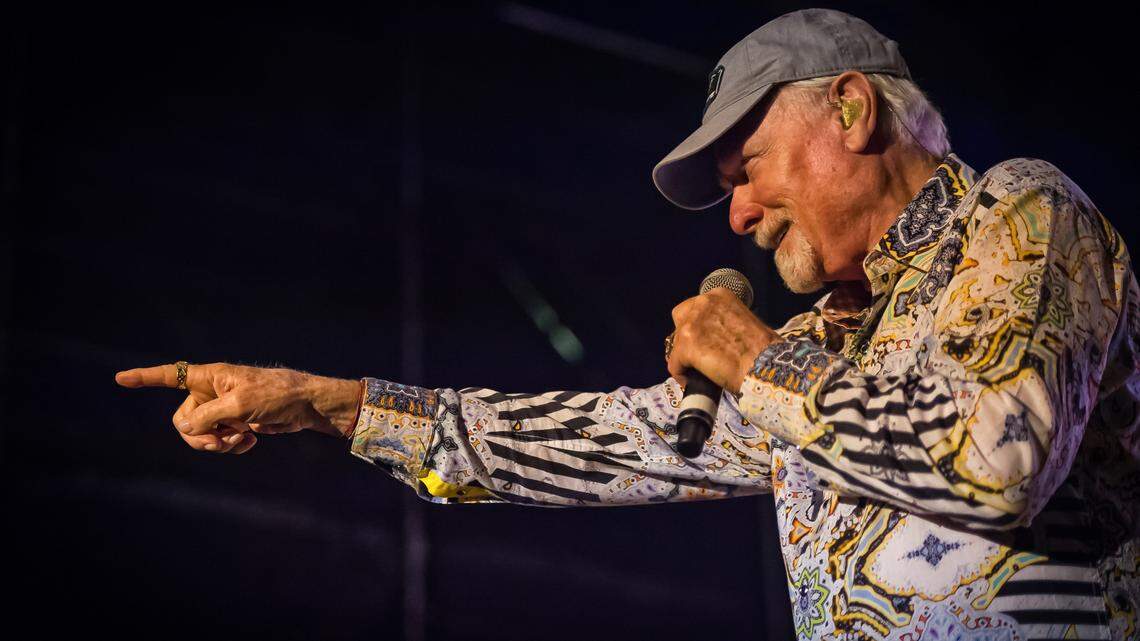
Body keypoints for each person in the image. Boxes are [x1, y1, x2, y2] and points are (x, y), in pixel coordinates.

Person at [115, 8, 1139, 641]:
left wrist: (754, 359)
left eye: (748, 170)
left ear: (852, 110)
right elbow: (606, 442)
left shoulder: (1018, 209)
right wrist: (327, 404)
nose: (738, 215)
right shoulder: (823, 347)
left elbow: (998, 457)